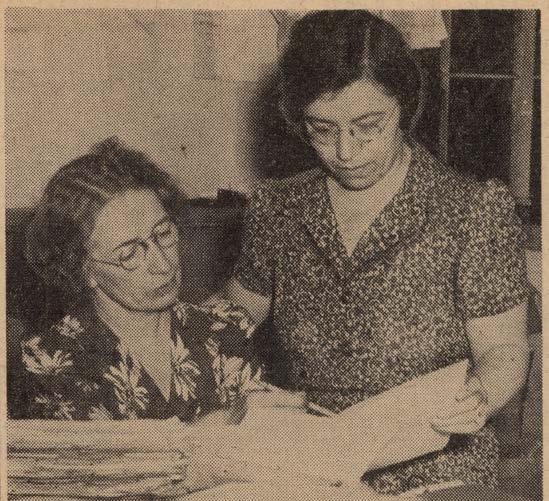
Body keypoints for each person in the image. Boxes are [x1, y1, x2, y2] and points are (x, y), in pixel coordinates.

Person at [225, 10, 530, 495]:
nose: (346, 151)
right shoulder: (278, 209)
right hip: (311, 461)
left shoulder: (471, 210)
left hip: (438, 466)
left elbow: (503, 351)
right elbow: (231, 321)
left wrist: (479, 396)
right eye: (322, 129)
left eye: (368, 125)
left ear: (404, 106)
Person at [8, 138, 261, 422]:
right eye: (129, 254)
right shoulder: (49, 365)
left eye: (163, 234)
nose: (163, 265)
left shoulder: (227, 330)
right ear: (83, 270)